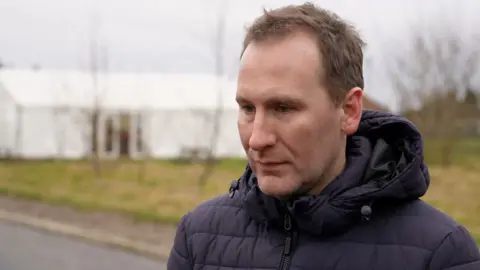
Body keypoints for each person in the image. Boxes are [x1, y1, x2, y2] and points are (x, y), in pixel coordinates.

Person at [167, 2, 480, 270]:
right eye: (248, 108)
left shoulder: (439, 254)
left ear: (349, 110)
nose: (257, 139)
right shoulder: (198, 238)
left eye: (283, 108)